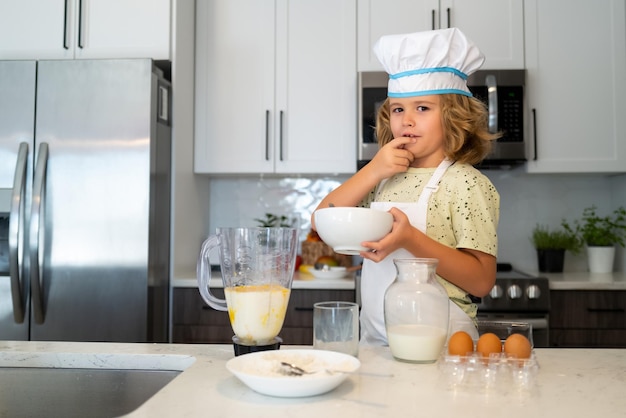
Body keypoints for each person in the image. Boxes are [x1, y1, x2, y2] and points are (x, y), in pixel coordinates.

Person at [311, 28, 500, 345]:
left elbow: (481, 281)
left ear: (454, 116)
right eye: (398, 109)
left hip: (442, 345)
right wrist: (372, 170)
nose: (407, 120)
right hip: (376, 343)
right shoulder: (383, 180)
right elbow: (320, 222)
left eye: (422, 108)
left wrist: (410, 238)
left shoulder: (465, 183)